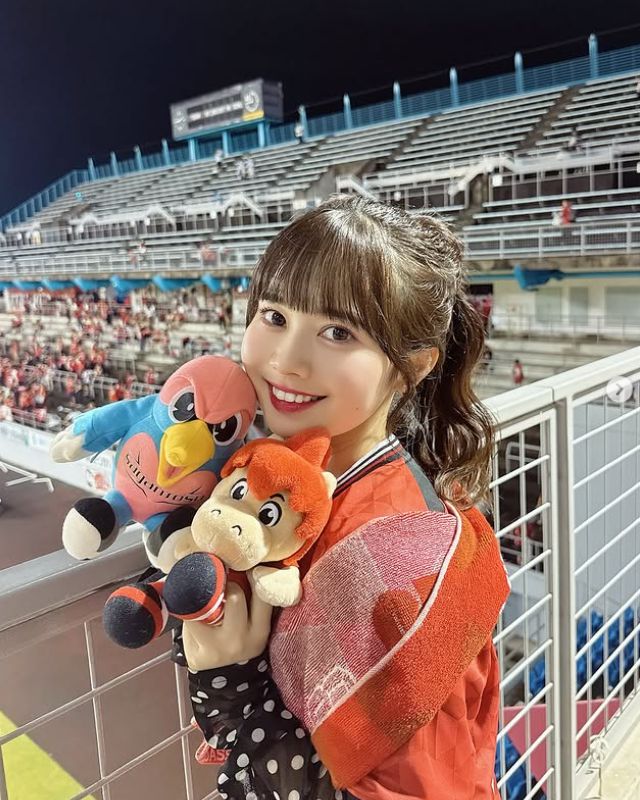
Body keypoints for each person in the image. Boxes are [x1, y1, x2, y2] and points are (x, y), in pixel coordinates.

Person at [180, 196, 509, 799]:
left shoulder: (391, 559)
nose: (286, 360)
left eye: (338, 332)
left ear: (412, 367)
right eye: (274, 315)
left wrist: (233, 685)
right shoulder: (284, 480)